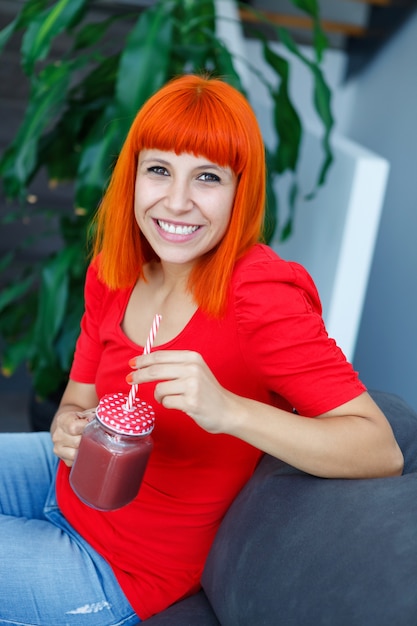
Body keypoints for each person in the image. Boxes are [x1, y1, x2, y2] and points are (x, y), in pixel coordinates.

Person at [0, 74, 403, 625]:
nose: (178, 201)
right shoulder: (115, 268)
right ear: (134, 176)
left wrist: (229, 410)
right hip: (61, 482)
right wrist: (68, 427)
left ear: (240, 191)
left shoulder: (260, 297)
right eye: (159, 170)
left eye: (207, 177)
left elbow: (380, 449)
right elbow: (77, 400)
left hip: (119, 567)